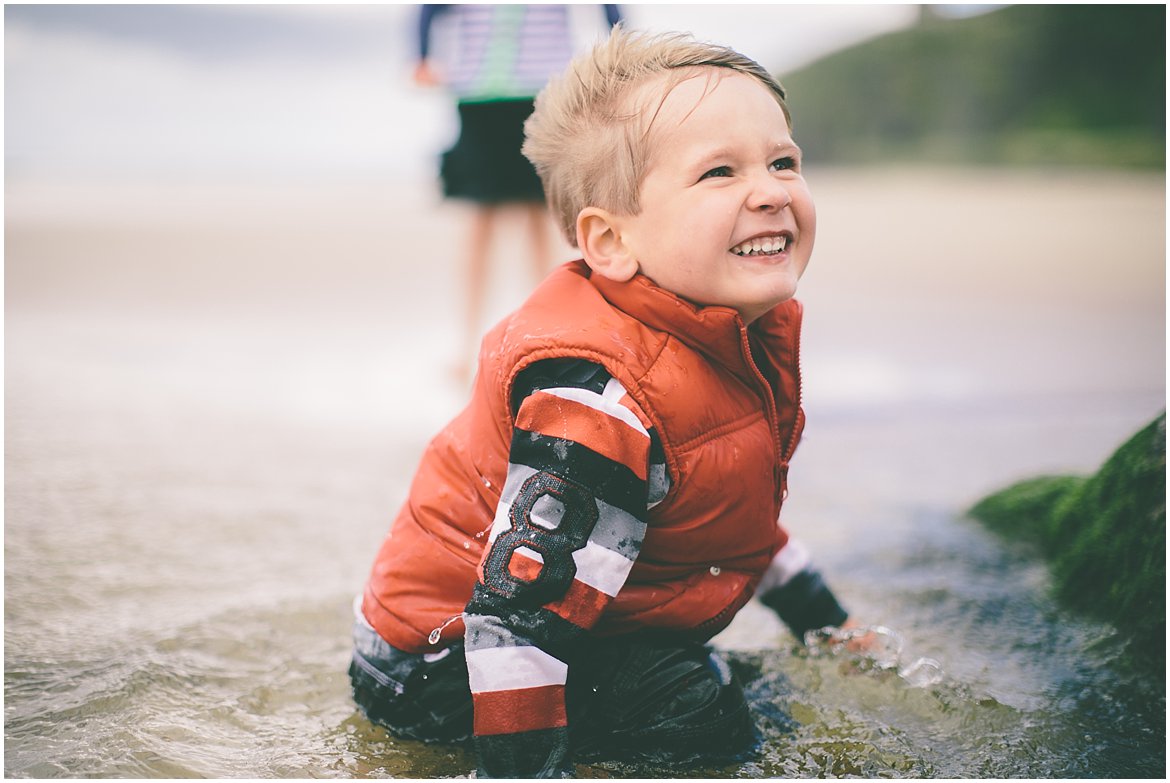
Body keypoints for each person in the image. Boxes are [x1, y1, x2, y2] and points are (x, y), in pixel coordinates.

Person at [352, 27, 858, 777]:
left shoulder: (734, 337)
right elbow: (515, 620)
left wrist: (831, 628)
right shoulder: (599, 395)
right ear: (612, 242)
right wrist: (523, 768)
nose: (771, 190)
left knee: (722, 689)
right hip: (440, 662)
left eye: (783, 161)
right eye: (719, 172)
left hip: (547, 621)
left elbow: (728, 513)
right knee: (694, 708)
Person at [413, 4, 623, 381]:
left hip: (543, 93)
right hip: (477, 93)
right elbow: (430, 8)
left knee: (539, 218)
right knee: (481, 221)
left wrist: (619, 51)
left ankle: (549, 332)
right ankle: (467, 343)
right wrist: (422, 56)